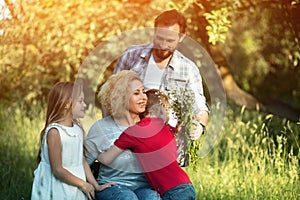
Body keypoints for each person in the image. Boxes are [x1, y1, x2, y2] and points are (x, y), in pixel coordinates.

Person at [114, 9, 209, 166]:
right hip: (130, 138)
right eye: (159, 38)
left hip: (168, 145)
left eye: (170, 41)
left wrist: (199, 125)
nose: (164, 45)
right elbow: (110, 95)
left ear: (182, 37)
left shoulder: (187, 69)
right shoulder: (131, 57)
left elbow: (199, 105)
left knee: (164, 189)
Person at [98, 89, 196, 200]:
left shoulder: (134, 131)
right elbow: (180, 132)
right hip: (186, 184)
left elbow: (106, 159)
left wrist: (95, 153)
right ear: (160, 110)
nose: (169, 114)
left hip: (171, 191)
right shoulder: (166, 129)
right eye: (167, 109)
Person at [31, 82, 114, 200]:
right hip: (56, 187)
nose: (84, 105)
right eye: (80, 101)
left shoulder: (77, 129)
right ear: (66, 104)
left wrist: (96, 186)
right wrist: (83, 184)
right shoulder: (54, 132)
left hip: (75, 185)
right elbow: (57, 169)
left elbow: (82, 161)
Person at [85, 71, 161, 200]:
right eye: (136, 93)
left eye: (143, 91)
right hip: (113, 187)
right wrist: (95, 186)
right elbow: (83, 162)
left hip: (144, 187)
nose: (144, 97)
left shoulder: (151, 127)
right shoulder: (101, 128)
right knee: (127, 197)